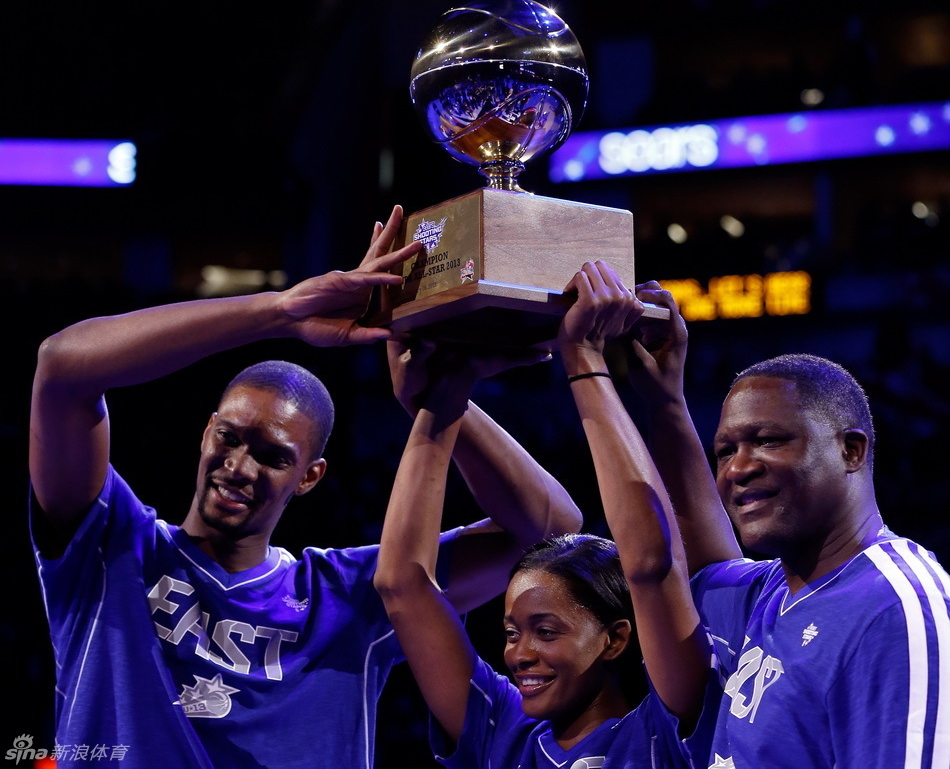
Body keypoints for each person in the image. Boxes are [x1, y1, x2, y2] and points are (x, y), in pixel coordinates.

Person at [28, 206, 582, 769]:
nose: (239, 466)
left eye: (272, 457)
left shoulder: (345, 599)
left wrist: (442, 403)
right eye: (229, 437)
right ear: (205, 433)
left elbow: (548, 532)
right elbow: (63, 366)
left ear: (309, 477)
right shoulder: (112, 548)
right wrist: (281, 310)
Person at [374, 261, 719, 769]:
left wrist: (586, 361)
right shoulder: (502, 730)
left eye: (546, 631)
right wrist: (441, 399)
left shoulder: (670, 728)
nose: (520, 654)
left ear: (616, 638)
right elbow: (402, 584)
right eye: (512, 633)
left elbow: (652, 563)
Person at [625, 281, 950, 769]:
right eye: (725, 451)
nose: (737, 468)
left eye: (770, 440)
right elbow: (701, 560)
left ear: (850, 450)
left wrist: (585, 374)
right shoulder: (772, 590)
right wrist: (663, 400)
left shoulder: (896, 606)